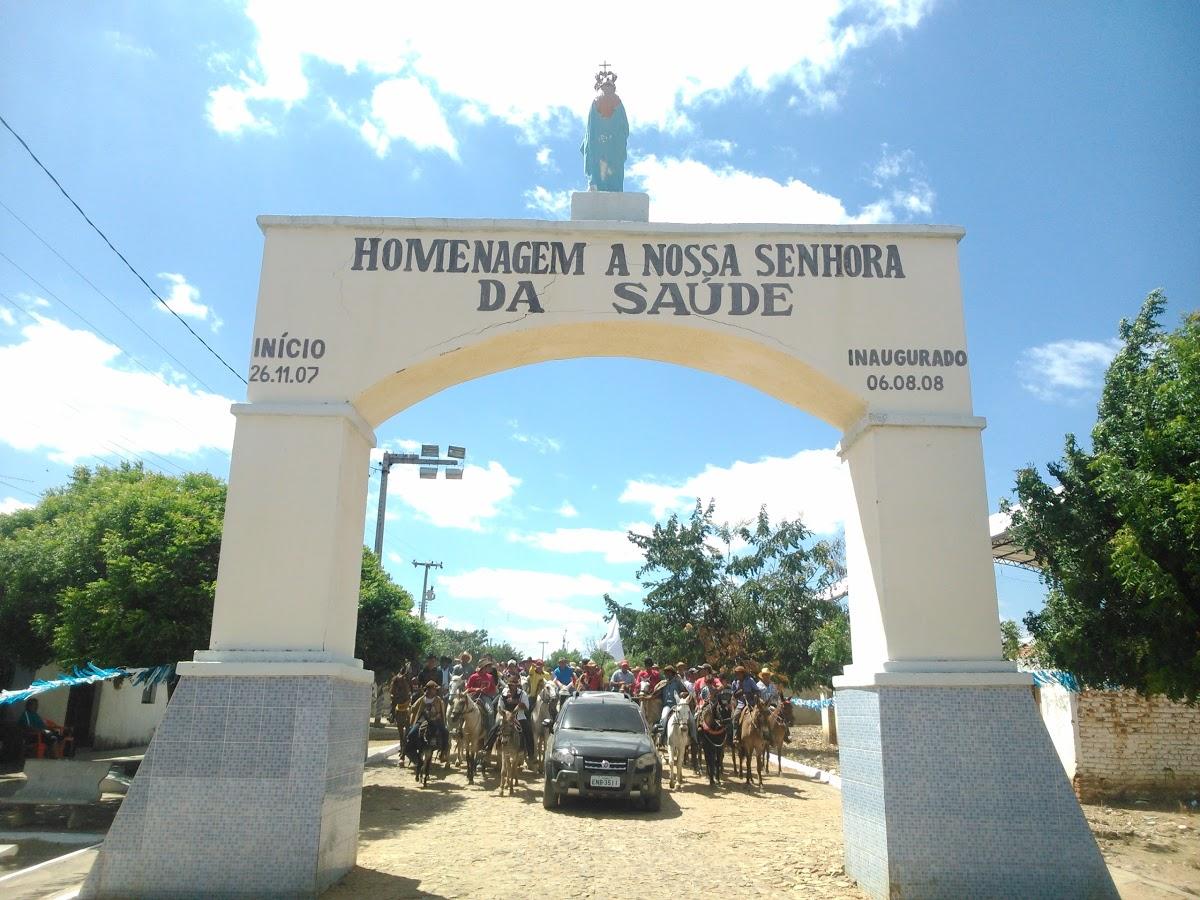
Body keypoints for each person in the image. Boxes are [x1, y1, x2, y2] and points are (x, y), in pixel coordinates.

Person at [580, 67, 629, 191]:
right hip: (612, 143)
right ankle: (605, 185)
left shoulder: (597, 100)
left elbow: (590, 131)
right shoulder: (617, 100)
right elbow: (625, 128)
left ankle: (595, 182)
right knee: (612, 164)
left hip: (600, 143)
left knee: (595, 156)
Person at [484, 676, 533, 760]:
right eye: (509, 685)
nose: (511, 687)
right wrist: (506, 713)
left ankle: (530, 753)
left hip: (519, 716)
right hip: (505, 717)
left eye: (513, 685)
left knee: (528, 730)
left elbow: (526, 707)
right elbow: (500, 706)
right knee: (494, 729)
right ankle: (487, 749)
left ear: (517, 685)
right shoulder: (504, 694)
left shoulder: (522, 694)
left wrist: (516, 702)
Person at [406, 681, 447, 765]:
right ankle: (413, 755)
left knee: (445, 732)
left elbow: (441, 712)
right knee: (411, 734)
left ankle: (443, 752)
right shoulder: (422, 699)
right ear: (429, 690)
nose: (436, 691)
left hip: (435, 720)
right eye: (434, 689)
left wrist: (437, 716)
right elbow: (413, 708)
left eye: (436, 690)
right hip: (422, 720)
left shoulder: (438, 700)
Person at [655, 665, 695, 748]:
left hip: (678, 705)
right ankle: (660, 737)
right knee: (663, 718)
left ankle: (693, 738)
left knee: (691, 719)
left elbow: (686, 692)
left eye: (668, 672)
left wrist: (683, 694)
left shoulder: (678, 682)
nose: (666, 674)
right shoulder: (663, 683)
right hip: (667, 706)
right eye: (665, 672)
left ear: (672, 673)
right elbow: (657, 693)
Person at [758, 667, 790, 741]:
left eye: (768, 675)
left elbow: (776, 695)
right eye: (765, 675)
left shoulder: (772, 685)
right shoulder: (758, 686)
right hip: (762, 706)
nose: (766, 676)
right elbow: (757, 696)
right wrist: (762, 702)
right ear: (762, 676)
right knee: (760, 717)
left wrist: (779, 703)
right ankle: (760, 734)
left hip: (772, 704)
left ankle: (786, 734)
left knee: (783, 714)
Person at [729, 664, 760, 734]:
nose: (737, 675)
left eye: (739, 673)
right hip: (741, 704)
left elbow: (757, 691)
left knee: (761, 715)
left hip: (751, 702)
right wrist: (739, 692)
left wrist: (753, 695)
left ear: (743, 673)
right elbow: (733, 695)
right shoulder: (734, 683)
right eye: (736, 673)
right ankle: (735, 735)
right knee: (735, 717)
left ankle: (766, 736)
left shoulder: (750, 680)